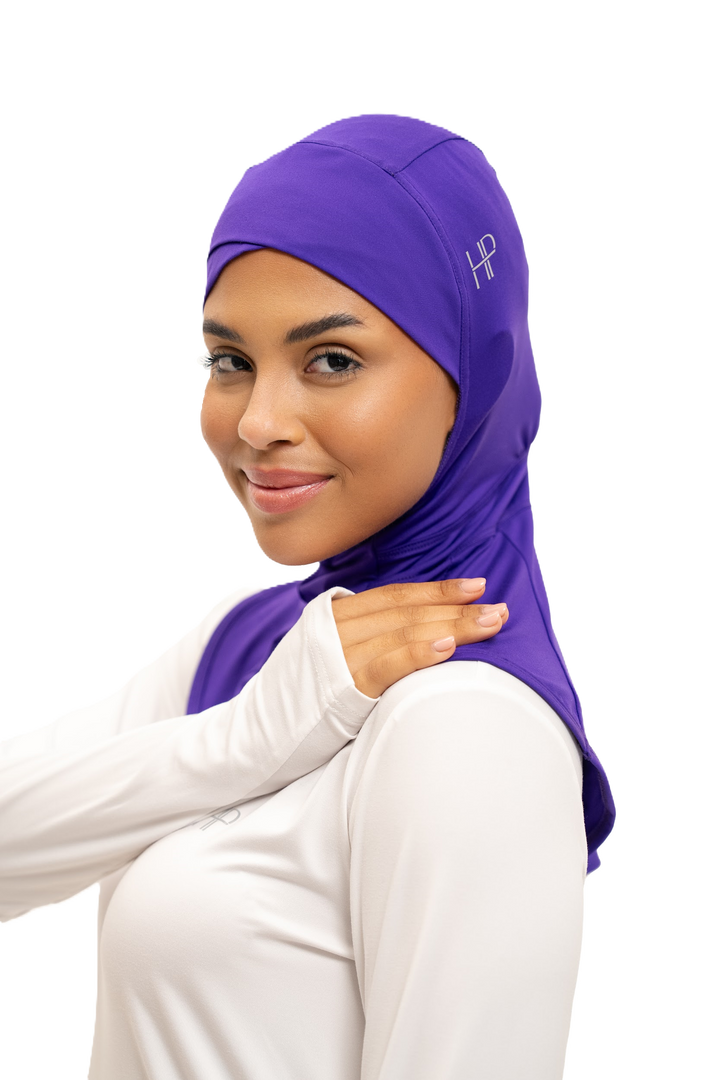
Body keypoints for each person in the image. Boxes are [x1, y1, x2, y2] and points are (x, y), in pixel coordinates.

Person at [0, 110, 617, 1078]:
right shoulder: (260, 646)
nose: (258, 422)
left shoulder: (467, 721)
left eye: (332, 361)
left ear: (475, 373)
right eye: (229, 362)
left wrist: (261, 729)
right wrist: (246, 740)